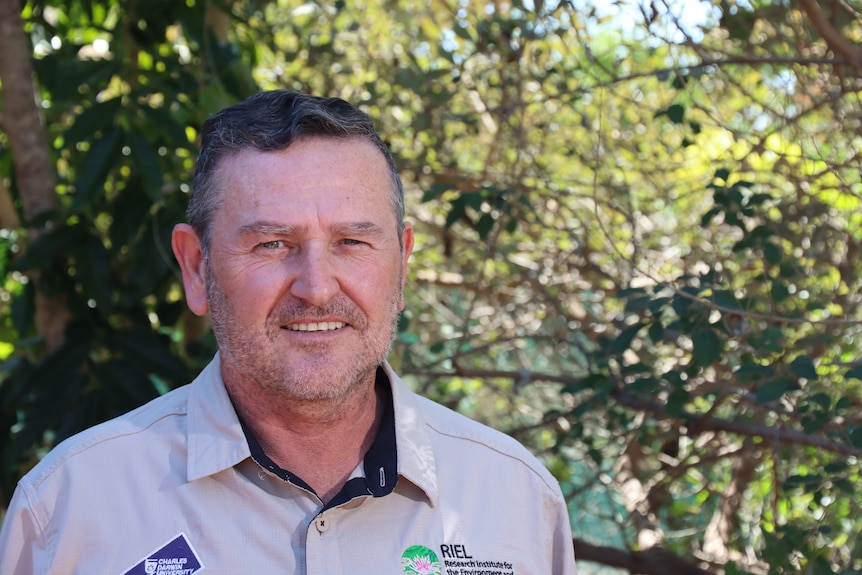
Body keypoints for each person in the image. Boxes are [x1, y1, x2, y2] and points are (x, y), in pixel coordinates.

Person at [0, 90, 577, 574]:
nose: (317, 287)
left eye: (352, 242)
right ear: (197, 269)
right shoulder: (67, 511)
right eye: (272, 243)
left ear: (400, 265)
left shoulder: (517, 501)